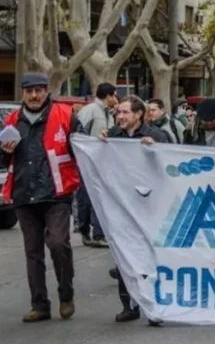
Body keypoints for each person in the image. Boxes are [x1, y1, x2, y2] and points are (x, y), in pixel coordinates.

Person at [0, 72, 83, 322]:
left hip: (56, 192)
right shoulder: (12, 121)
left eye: (38, 90)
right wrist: (4, 152)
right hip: (24, 195)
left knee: (58, 243)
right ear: (23, 93)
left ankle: (66, 294)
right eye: (29, 91)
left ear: (47, 91)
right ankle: (39, 304)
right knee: (33, 252)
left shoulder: (66, 116)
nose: (34, 95)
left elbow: (84, 148)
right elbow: (4, 160)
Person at [99, 95, 168, 323]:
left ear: (138, 114)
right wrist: (99, 143)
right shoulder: (112, 136)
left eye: (125, 112)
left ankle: (154, 306)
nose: (120, 116)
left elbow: (169, 165)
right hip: (122, 204)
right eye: (118, 112)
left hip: (149, 205)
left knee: (149, 256)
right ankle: (129, 305)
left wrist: (155, 150)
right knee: (124, 254)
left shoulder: (157, 136)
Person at [75, 83, 118, 248]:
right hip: (87, 161)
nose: (116, 99)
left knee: (99, 198)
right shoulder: (91, 110)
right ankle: (85, 230)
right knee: (85, 198)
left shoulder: (108, 113)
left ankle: (98, 234)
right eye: (114, 95)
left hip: (102, 162)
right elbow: (78, 131)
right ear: (108, 96)